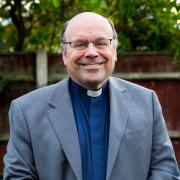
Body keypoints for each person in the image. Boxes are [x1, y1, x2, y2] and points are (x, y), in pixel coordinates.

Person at [3, 12, 180, 180]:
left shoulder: (146, 102)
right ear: (64, 54)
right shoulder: (26, 111)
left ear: (114, 51)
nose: (91, 52)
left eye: (101, 43)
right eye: (79, 44)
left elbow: (164, 169)